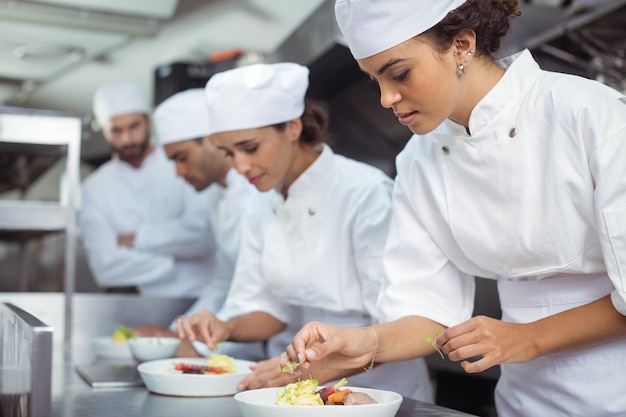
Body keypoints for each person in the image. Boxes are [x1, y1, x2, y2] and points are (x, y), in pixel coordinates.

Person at [279, 1, 626, 416]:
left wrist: (528, 336)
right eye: (374, 80)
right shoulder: (418, 160)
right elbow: (427, 313)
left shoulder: (589, 113)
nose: (386, 98)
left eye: (399, 73)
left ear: (461, 45)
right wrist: (366, 344)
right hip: (521, 397)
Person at [175, 62, 434, 402]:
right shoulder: (261, 202)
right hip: (301, 384)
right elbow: (267, 306)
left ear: (293, 127)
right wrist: (227, 328)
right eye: (228, 153)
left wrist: (304, 370)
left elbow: (395, 324)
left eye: (250, 148)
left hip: (378, 388)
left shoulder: (364, 193)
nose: (239, 167)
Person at [133, 88, 264, 360]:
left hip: (269, 346)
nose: (179, 173)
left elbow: (257, 295)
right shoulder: (218, 198)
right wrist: (176, 334)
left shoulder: (258, 193)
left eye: (182, 158)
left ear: (211, 140)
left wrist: (197, 346)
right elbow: (222, 282)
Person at [80, 82, 216, 296]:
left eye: (134, 126)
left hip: (201, 294)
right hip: (138, 302)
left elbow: (202, 236)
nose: (126, 139)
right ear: (104, 131)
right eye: (116, 130)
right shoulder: (94, 188)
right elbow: (105, 267)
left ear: (148, 121)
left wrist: (136, 240)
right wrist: (178, 263)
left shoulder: (182, 161)